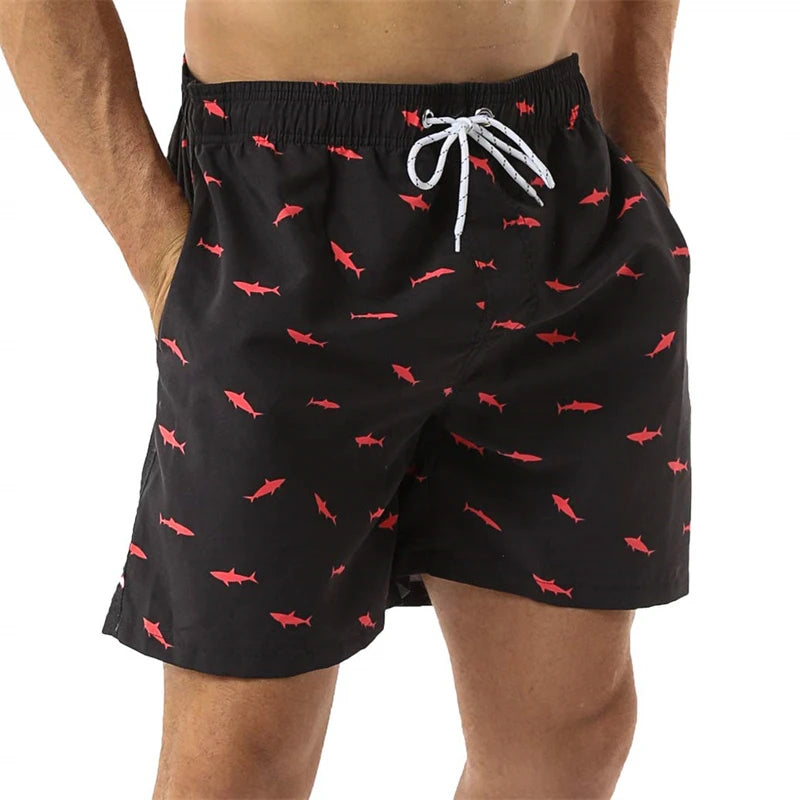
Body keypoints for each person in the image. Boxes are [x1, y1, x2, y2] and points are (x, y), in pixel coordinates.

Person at [0, 1, 691, 797]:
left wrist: (641, 161)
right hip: (284, 202)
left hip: (559, 187)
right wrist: (161, 258)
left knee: (569, 733)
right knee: (241, 755)